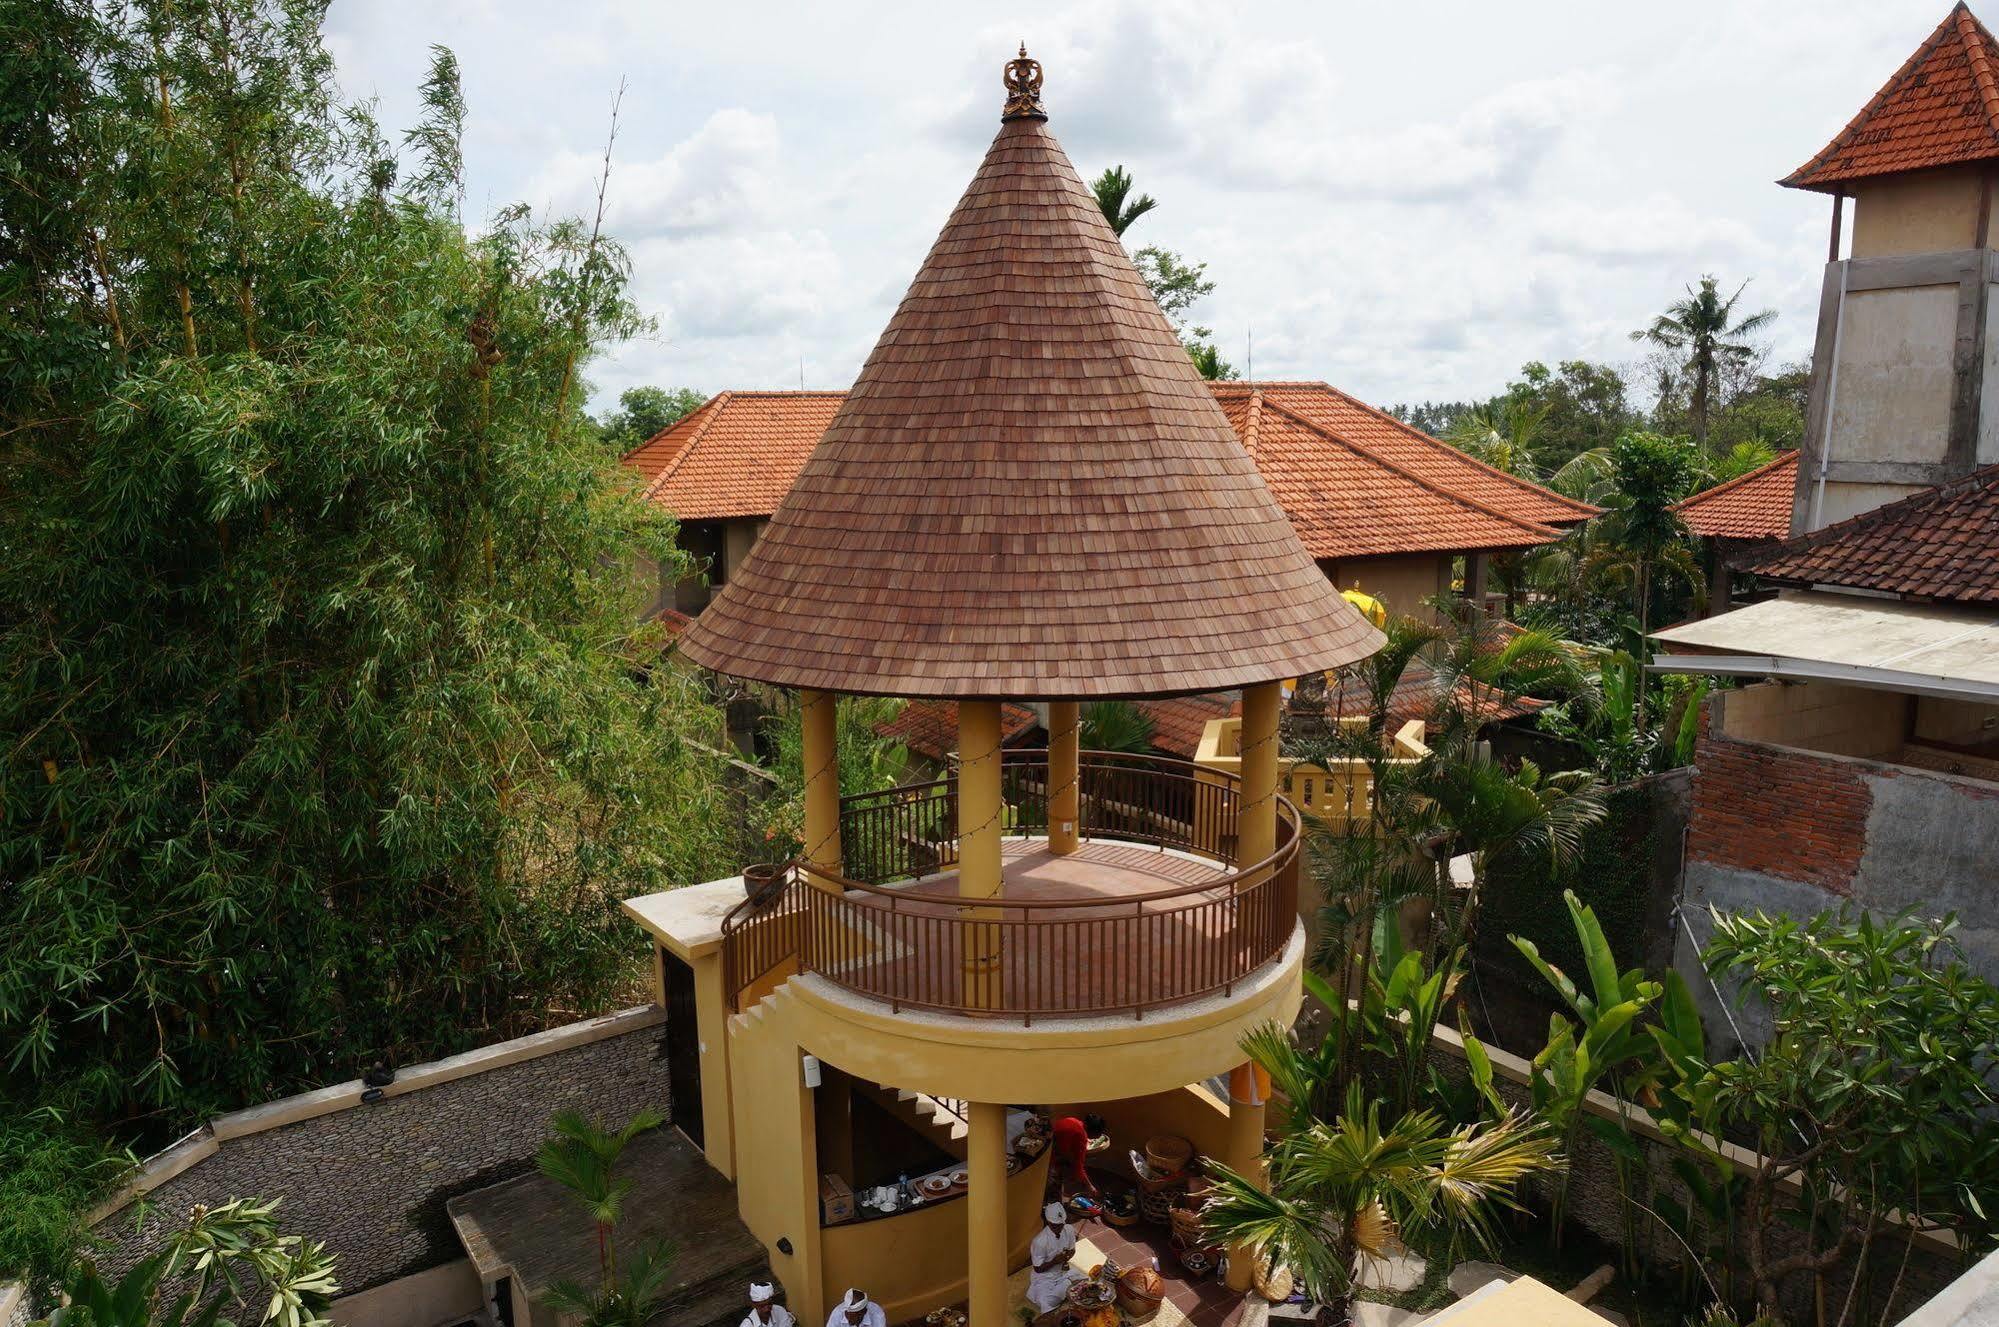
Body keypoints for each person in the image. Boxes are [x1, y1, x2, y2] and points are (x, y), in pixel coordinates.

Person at [1026, 1201, 1083, 1313]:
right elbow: (1038, 1269)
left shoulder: (1068, 1229)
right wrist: (1054, 1261)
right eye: (1055, 1225)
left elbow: (1072, 1250)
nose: (1059, 1228)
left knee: (1085, 1283)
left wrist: (1067, 1257)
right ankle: (1066, 1288)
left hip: (1063, 1272)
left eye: (1061, 1225)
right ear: (1048, 1222)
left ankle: (1066, 1287)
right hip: (1045, 1277)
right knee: (1046, 1302)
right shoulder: (1039, 1241)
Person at [1050, 1112, 1107, 1198]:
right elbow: (1078, 1167)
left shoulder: (1073, 1120)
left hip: (1049, 1144)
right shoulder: (1081, 1136)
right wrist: (1090, 1187)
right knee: (1054, 1182)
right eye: (1098, 1134)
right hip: (1050, 1157)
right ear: (1093, 1131)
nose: (1098, 1137)